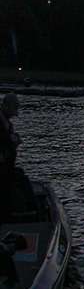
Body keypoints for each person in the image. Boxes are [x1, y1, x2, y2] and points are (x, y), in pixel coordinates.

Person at [0, 93, 21, 222]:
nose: (14, 114)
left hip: (7, 168)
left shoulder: (6, 123)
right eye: (13, 110)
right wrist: (11, 140)